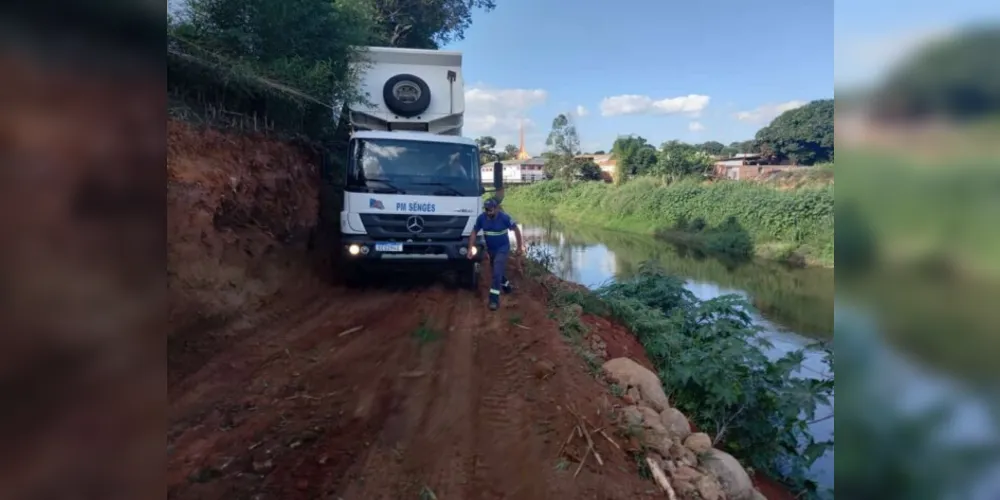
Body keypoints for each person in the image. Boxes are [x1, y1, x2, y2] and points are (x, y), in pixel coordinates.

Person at [468, 198, 524, 311]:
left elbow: (516, 230)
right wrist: (470, 247)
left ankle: (494, 300)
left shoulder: (504, 218)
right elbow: (474, 232)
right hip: (491, 250)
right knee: (496, 270)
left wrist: (519, 246)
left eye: (491, 210)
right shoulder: (481, 218)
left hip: (503, 249)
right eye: (487, 210)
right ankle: (507, 286)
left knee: (497, 269)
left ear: (497, 208)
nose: (489, 212)